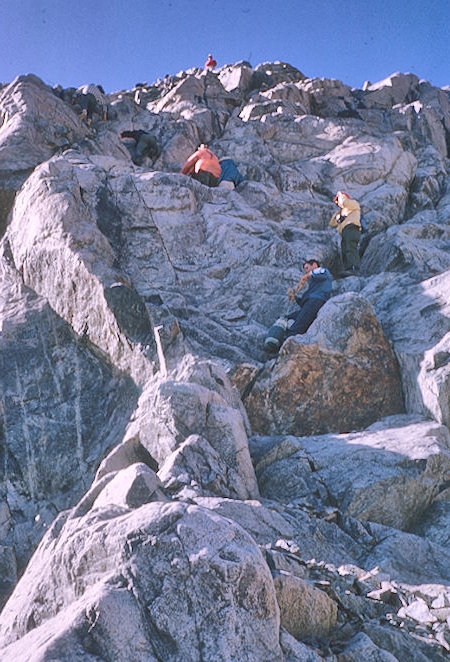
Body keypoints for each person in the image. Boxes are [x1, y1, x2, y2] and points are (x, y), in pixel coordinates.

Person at [264, 260, 332, 354]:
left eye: (307, 268)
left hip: (316, 302)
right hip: (310, 304)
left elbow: (321, 273)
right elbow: (305, 303)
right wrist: (295, 297)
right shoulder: (314, 285)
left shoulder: (323, 272)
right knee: (286, 318)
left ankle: (283, 351)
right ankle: (274, 341)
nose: (306, 271)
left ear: (315, 265)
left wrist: (306, 277)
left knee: (296, 328)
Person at [329, 191, 362, 276]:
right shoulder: (343, 211)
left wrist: (341, 196)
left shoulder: (353, 204)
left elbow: (345, 202)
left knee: (350, 248)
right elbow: (332, 223)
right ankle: (348, 269)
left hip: (352, 228)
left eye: (338, 200)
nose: (338, 203)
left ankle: (354, 268)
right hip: (345, 232)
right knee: (344, 250)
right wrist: (339, 214)